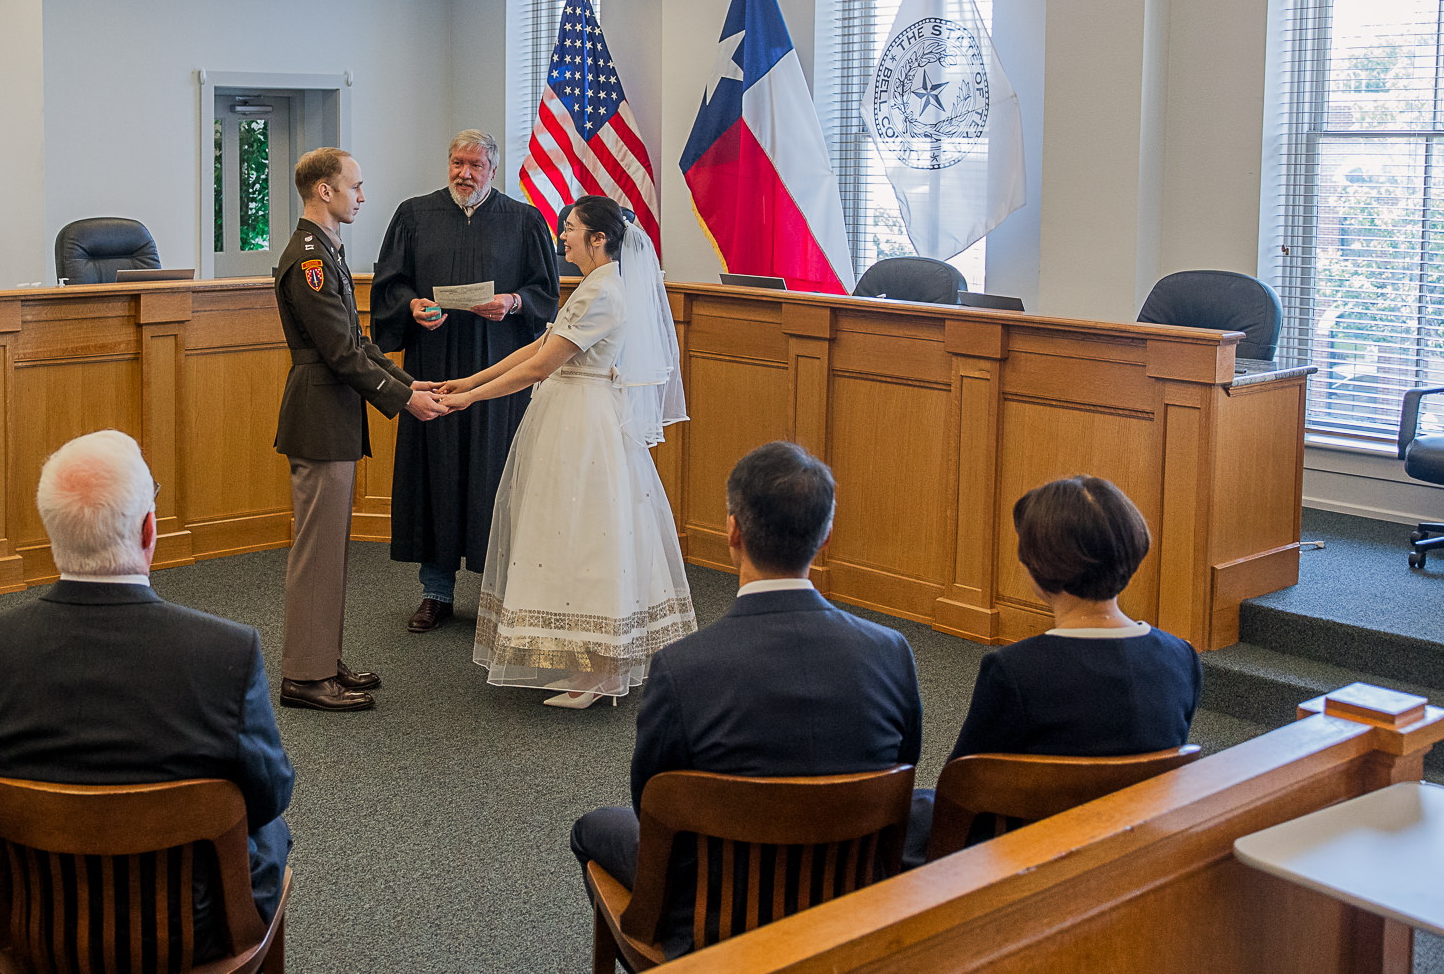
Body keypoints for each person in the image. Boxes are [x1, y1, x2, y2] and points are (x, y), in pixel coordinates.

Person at [0, 430, 293, 962]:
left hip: (35, 920)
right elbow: (268, 796)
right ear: (150, 529)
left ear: (50, 530)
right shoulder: (226, 651)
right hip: (192, 931)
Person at [568, 442, 922, 958]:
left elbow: (652, 804)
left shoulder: (681, 667)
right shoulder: (892, 652)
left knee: (594, 827)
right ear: (825, 536)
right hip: (849, 905)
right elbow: (904, 763)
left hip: (715, 926)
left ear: (732, 532)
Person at [436, 194, 694, 707]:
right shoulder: (594, 285)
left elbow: (540, 366)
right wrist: (468, 379)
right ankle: (584, 657)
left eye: (571, 228)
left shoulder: (604, 292)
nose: (563, 236)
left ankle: (598, 672)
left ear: (599, 238)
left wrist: (469, 399)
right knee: (566, 530)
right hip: (568, 414)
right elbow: (537, 346)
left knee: (588, 536)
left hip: (584, 421)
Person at [898, 475, 1203, 865]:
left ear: (1037, 570)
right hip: (1132, 853)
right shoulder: (1181, 657)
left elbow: (963, 789)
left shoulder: (1015, 669)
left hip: (1026, 860)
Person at [273, 147, 451, 711]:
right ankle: (305, 674)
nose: (362, 195)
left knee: (330, 550)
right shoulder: (309, 258)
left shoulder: (324, 248)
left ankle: (320, 658)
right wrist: (404, 402)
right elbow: (339, 353)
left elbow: (359, 344)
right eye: (355, 186)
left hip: (334, 414)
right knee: (317, 551)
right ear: (324, 191)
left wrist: (409, 383)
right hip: (320, 415)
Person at [371, 129, 560, 633]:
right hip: (432, 366)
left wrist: (512, 303)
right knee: (436, 472)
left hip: (500, 370)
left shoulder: (524, 221)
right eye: (457, 163)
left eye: (475, 165)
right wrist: (411, 305)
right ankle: (436, 591)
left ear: (493, 170)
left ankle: (503, 595)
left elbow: (545, 293)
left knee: (499, 473)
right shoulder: (414, 215)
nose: (464, 173)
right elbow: (390, 284)